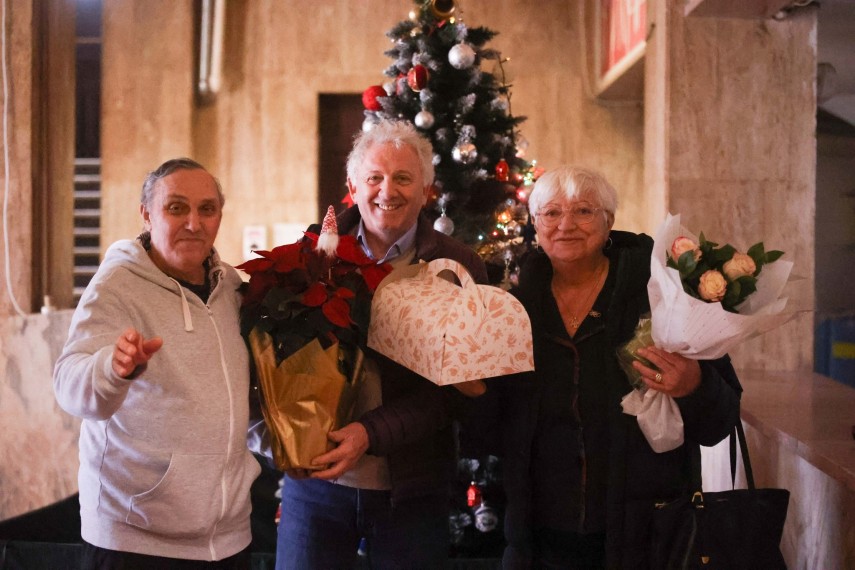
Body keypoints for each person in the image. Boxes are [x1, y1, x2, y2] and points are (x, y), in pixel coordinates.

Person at [480, 166, 742, 568]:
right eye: (550, 213)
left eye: (583, 211)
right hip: (539, 541)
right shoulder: (514, 310)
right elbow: (489, 432)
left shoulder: (662, 297)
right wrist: (470, 387)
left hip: (645, 539)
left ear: (609, 223)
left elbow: (719, 422)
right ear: (535, 225)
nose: (566, 224)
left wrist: (694, 384)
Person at [274, 120, 489, 569]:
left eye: (403, 178)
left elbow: (456, 394)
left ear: (427, 189)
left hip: (411, 492)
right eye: (374, 177)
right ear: (353, 185)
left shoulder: (458, 267)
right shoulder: (311, 256)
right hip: (314, 488)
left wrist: (369, 434)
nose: (386, 190)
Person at [53, 158, 260, 569]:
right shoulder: (118, 286)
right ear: (147, 214)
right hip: (135, 540)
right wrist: (112, 370)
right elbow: (68, 384)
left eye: (207, 209)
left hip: (229, 538)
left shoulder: (233, 290)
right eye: (176, 208)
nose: (194, 223)